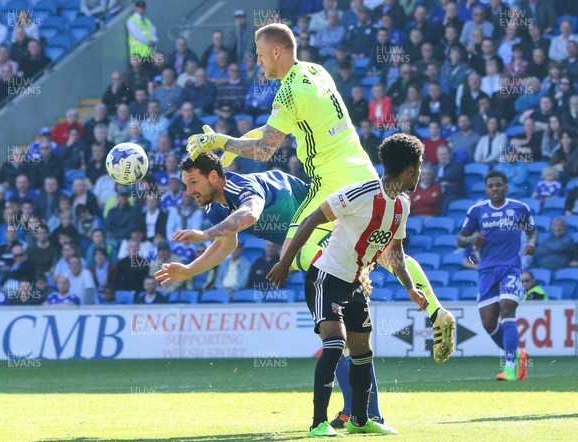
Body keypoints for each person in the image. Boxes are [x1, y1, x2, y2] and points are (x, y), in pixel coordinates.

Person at [183, 20, 453, 347]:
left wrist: (222, 142)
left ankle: (350, 293)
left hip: (332, 181)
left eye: (260, 55)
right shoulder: (316, 71)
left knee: (294, 253)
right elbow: (273, 132)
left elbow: (265, 149)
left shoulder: (289, 91)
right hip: (363, 173)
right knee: (386, 253)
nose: (258, 62)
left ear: (277, 51)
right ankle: (438, 312)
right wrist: (227, 145)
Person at [266, 133, 428, 436]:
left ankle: (360, 420)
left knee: (363, 353)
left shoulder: (402, 205)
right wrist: (285, 262)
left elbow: (396, 251)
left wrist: (409, 287)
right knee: (335, 343)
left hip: (353, 283)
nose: (420, 172)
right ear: (409, 169)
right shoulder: (361, 192)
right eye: (419, 166)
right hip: (325, 277)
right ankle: (318, 424)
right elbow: (313, 218)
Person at [458, 170, 536, 381]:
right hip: (486, 271)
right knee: (489, 323)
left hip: (511, 267)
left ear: (506, 187)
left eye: (498, 185)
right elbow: (460, 240)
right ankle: (518, 356)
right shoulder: (477, 211)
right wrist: (474, 238)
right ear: (486, 189)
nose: (495, 189)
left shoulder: (519, 209)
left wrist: (531, 244)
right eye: (491, 185)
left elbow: (532, 231)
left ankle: (510, 367)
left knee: (507, 309)